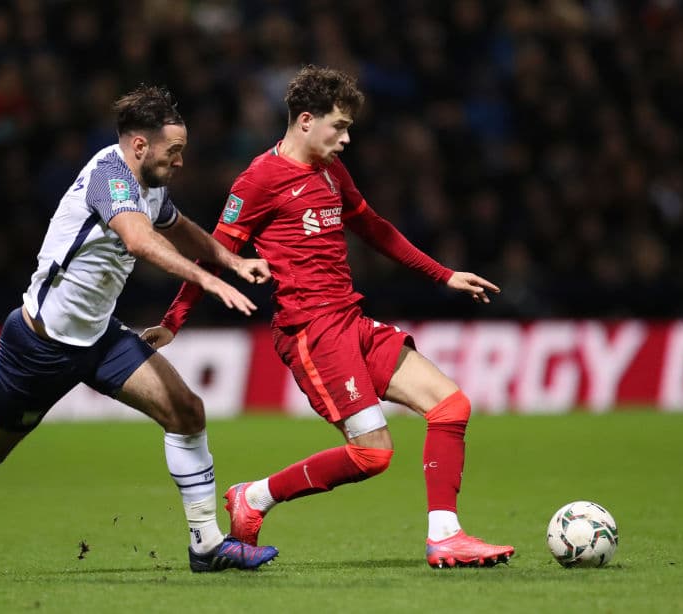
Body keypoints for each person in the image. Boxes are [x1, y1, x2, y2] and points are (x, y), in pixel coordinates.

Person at [0, 85, 279, 573]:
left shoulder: (150, 179)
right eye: (174, 151)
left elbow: (173, 223)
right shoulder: (109, 177)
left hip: (99, 338)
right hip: (41, 345)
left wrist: (228, 258)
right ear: (140, 145)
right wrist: (205, 277)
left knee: (186, 410)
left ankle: (206, 545)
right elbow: (140, 239)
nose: (180, 161)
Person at [142, 66, 514, 569]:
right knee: (373, 455)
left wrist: (442, 274)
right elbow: (213, 254)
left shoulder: (330, 170)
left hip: (352, 320)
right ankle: (254, 497)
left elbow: (375, 228)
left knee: (451, 406)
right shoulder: (259, 180)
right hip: (312, 334)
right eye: (338, 127)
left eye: (349, 128)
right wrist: (174, 321)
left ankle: (445, 536)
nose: (346, 138)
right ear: (304, 121)